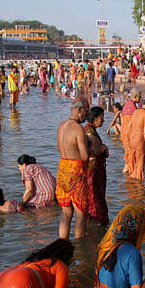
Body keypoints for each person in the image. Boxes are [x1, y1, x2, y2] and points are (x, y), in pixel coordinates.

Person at [0, 239, 74, 288]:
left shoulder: (33, 260)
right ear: (67, 257)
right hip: (21, 282)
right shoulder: (59, 264)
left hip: (1, 280)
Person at [56, 100, 90, 239]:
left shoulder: (61, 126)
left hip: (62, 170)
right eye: (86, 112)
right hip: (76, 173)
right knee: (80, 214)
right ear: (79, 110)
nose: (86, 115)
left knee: (66, 213)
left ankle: (63, 244)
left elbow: (59, 148)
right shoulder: (78, 129)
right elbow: (85, 156)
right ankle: (80, 248)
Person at [85, 107, 109, 225]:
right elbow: (96, 151)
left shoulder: (90, 130)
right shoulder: (90, 134)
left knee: (95, 199)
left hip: (95, 172)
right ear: (94, 119)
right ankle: (98, 224)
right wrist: (103, 149)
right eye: (101, 118)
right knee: (96, 200)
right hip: (94, 173)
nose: (103, 121)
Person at [127, 97, 145, 181]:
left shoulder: (136, 111)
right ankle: (139, 189)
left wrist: (128, 140)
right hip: (139, 141)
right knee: (140, 167)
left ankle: (130, 184)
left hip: (132, 141)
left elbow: (128, 127)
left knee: (134, 165)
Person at [122, 88, 141, 175]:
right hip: (129, 135)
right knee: (131, 156)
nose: (140, 99)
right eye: (139, 97)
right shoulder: (132, 106)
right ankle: (130, 177)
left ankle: (128, 172)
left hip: (125, 134)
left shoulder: (128, 104)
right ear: (136, 96)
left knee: (129, 156)